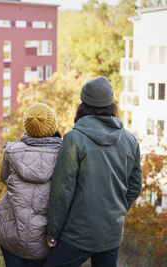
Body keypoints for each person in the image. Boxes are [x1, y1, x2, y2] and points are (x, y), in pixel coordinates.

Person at [45, 76, 142, 267]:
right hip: (111, 232)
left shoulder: (74, 138)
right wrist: (116, 212)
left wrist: (53, 234)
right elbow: (135, 186)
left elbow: (62, 192)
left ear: (83, 105)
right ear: (111, 105)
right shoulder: (130, 140)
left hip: (78, 233)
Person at [0, 103, 62, 267]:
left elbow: (4, 178)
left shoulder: (12, 151)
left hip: (12, 230)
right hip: (45, 238)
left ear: (27, 127)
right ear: (52, 126)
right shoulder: (65, 154)